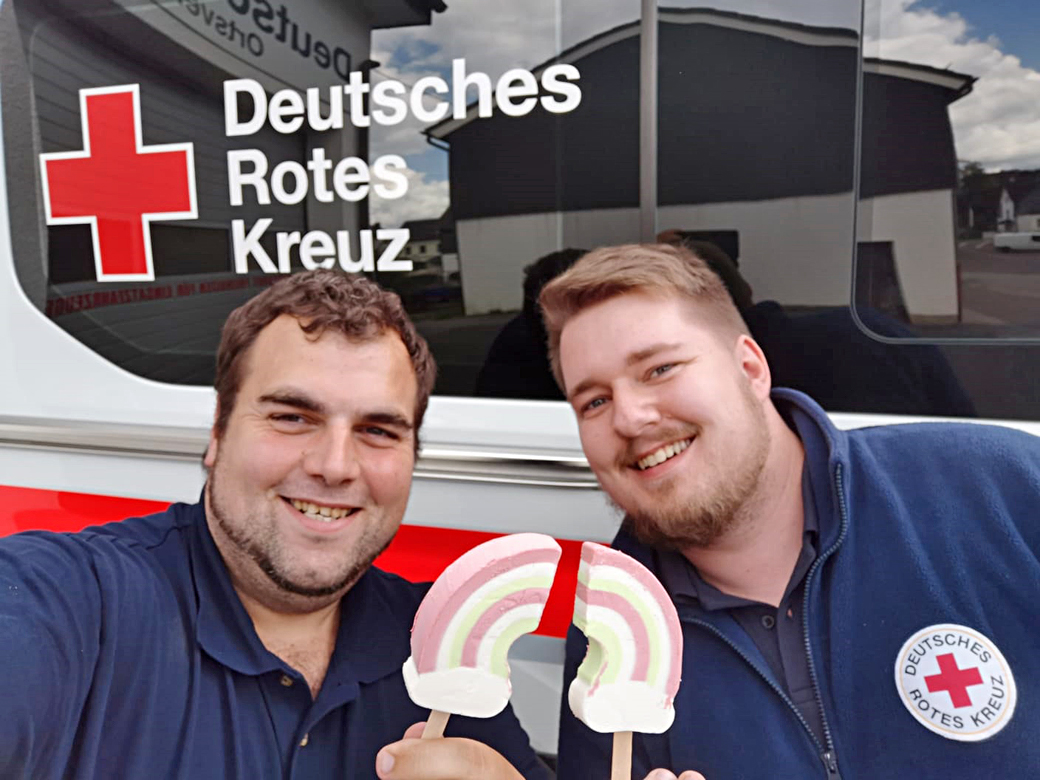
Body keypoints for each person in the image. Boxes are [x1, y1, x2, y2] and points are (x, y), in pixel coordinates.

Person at [0, 269, 550, 780]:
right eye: (292, 417)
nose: (335, 466)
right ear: (217, 433)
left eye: (378, 430)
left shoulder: (437, 638)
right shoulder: (74, 597)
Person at [538, 243, 1040, 778]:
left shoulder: (999, 489)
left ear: (751, 368)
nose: (630, 418)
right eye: (594, 402)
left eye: (659, 369)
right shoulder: (612, 630)